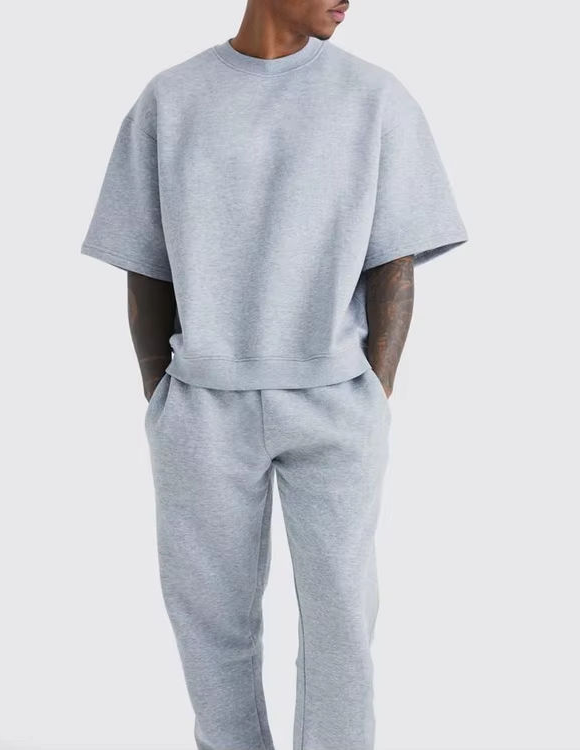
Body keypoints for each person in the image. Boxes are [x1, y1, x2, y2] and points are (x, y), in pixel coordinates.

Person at [81, 0, 467, 747]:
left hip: (334, 399)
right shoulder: (171, 99)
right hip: (201, 403)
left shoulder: (375, 97)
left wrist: (371, 394)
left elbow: (395, 261)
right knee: (209, 620)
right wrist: (163, 395)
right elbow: (144, 264)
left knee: (341, 620)